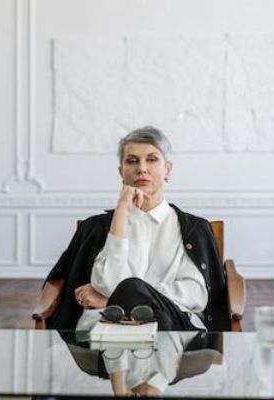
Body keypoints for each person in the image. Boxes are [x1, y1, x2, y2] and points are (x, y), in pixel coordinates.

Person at [44, 126, 230, 332]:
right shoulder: (94, 228)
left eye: (152, 159)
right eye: (132, 161)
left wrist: (113, 301)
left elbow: (196, 294)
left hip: (174, 329)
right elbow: (108, 282)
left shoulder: (194, 229)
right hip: (108, 330)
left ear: (168, 169)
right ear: (121, 172)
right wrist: (121, 210)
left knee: (133, 288)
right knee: (132, 292)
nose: (142, 168)